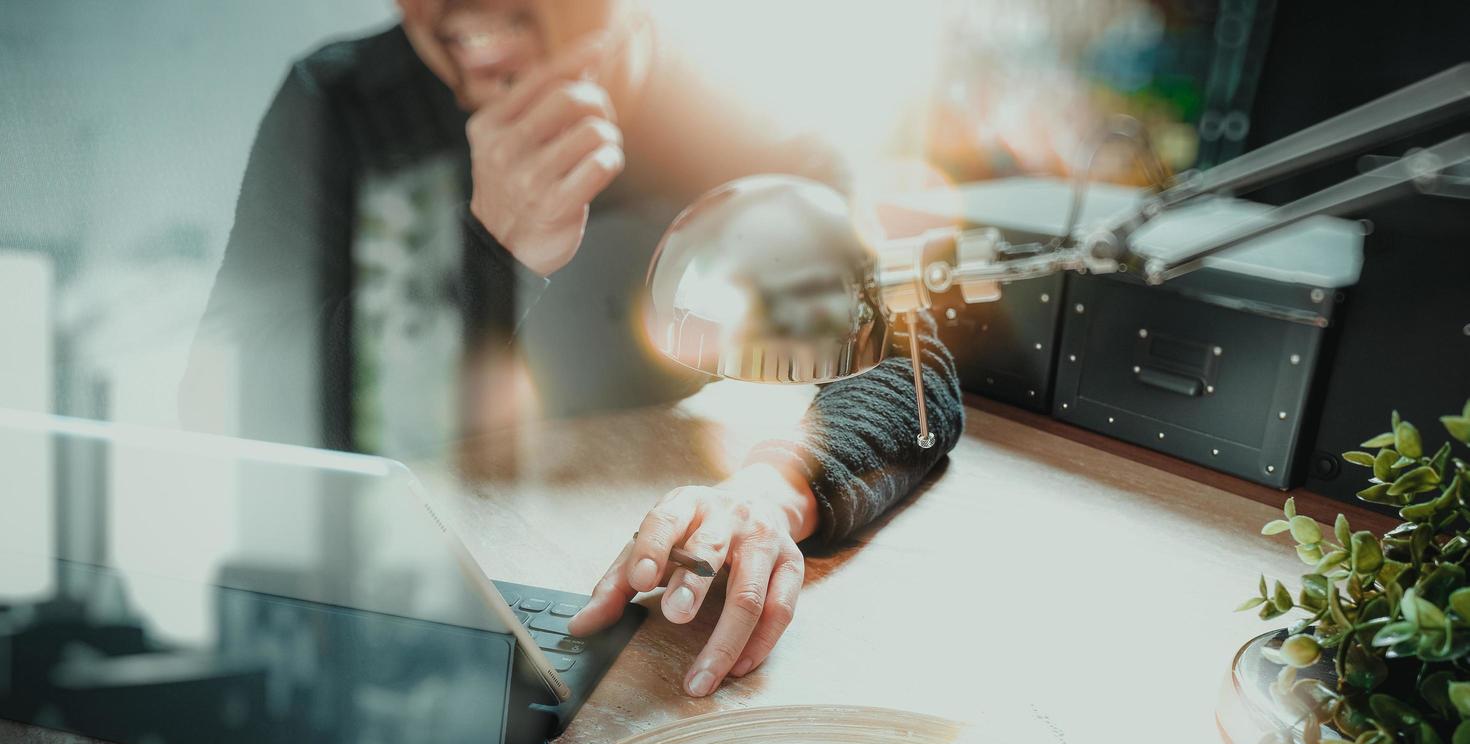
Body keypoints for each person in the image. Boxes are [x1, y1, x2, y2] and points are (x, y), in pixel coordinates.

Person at [182, 0, 964, 698]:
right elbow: (224, 401)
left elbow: (909, 360)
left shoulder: (728, 112)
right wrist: (488, 251)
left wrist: (774, 489)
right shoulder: (342, 100)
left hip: (631, 597)